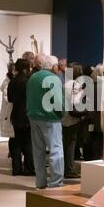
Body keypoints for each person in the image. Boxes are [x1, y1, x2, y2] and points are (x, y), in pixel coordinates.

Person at [27, 54, 65, 189]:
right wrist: (62, 114)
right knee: (56, 150)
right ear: (53, 66)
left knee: (38, 151)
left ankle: (40, 182)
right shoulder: (53, 78)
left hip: (34, 117)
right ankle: (56, 183)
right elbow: (59, 102)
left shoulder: (33, 77)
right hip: (50, 118)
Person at [8, 59, 35, 176]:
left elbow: (10, 99)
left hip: (15, 114)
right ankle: (28, 168)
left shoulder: (12, 81)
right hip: (26, 115)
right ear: (26, 68)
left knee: (16, 142)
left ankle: (16, 168)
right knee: (27, 143)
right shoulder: (27, 81)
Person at [62, 62, 84, 178]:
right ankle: (69, 169)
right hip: (72, 118)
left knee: (65, 145)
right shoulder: (76, 85)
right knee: (71, 144)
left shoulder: (65, 84)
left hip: (63, 118)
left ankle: (66, 168)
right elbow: (76, 102)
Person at [0, 63, 16, 161]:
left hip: (13, 111)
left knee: (14, 135)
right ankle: (13, 154)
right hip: (10, 112)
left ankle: (13, 153)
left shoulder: (10, 81)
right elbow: (8, 98)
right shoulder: (7, 83)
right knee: (12, 135)